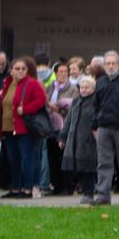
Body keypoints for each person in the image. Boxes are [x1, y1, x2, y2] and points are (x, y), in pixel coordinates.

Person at [0, 56, 47, 199]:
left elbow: (41, 101)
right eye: (17, 69)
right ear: (11, 70)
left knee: (27, 158)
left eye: (23, 69)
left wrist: (26, 109)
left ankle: (28, 188)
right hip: (8, 127)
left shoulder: (32, 84)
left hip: (24, 128)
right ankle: (16, 187)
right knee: (13, 159)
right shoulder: (8, 83)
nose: (20, 71)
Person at [91, 51, 119, 206]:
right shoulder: (101, 82)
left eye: (113, 63)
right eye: (107, 63)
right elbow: (95, 105)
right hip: (104, 127)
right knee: (103, 163)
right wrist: (94, 125)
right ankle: (103, 196)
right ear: (104, 65)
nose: (110, 66)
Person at [64, 73, 99, 201]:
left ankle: (89, 193)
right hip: (74, 138)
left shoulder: (95, 101)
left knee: (88, 167)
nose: (83, 90)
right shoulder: (76, 101)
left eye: (86, 87)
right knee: (78, 167)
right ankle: (85, 190)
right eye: (81, 87)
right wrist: (63, 135)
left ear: (93, 88)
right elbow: (69, 119)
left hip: (89, 138)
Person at [46, 61, 79, 194]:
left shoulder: (73, 89)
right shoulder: (50, 88)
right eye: (61, 72)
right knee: (52, 157)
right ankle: (56, 185)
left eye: (66, 72)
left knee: (64, 157)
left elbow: (75, 106)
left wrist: (60, 109)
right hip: (50, 126)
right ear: (55, 73)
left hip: (64, 126)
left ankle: (67, 186)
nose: (64, 74)